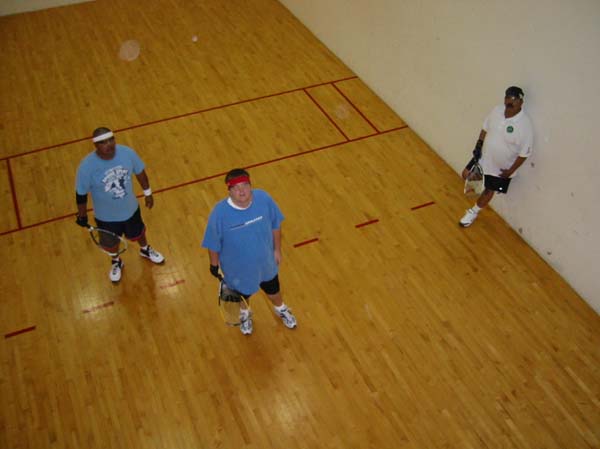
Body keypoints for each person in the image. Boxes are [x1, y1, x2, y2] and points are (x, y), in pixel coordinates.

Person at [202, 168, 297, 335]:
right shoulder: (219, 213)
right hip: (238, 269)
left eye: (245, 185)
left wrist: (277, 250)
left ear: (250, 185)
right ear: (229, 191)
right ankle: (245, 313)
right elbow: (213, 242)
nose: (241, 191)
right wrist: (214, 265)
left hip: (266, 263)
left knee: (274, 290)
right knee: (243, 296)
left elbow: (276, 225)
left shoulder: (264, 199)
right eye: (236, 187)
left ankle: (281, 308)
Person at [75, 127, 165, 282]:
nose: (109, 145)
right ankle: (116, 261)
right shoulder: (86, 166)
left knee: (139, 233)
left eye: (111, 140)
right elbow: (81, 194)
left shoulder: (127, 153)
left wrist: (148, 193)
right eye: (103, 142)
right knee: (111, 243)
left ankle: (145, 249)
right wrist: (82, 215)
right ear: (95, 145)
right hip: (106, 218)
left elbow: (140, 172)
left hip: (131, 209)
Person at [459, 86, 533, 227]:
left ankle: (473, 212)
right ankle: (477, 192)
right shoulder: (497, 110)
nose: (510, 102)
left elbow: (524, 154)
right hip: (483, 157)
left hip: (501, 168)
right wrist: (478, 146)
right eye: (508, 98)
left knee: (489, 190)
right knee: (466, 175)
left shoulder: (525, 125)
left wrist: (510, 171)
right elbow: (485, 128)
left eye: (514, 99)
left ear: (521, 102)